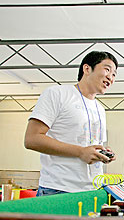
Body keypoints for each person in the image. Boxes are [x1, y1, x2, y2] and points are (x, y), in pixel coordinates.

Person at [24, 51, 118, 196]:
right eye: (107, 69)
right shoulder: (57, 94)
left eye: (114, 75)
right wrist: (80, 152)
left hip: (92, 190)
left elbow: (88, 145)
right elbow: (32, 139)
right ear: (87, 69)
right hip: (58, 189)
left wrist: (103, 153)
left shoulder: (100, 108)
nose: (110, 77)